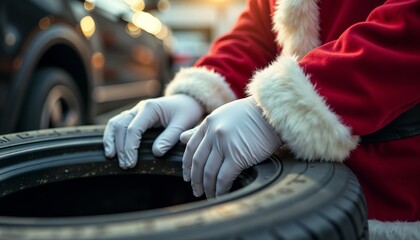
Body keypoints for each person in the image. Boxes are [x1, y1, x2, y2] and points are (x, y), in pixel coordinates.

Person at [103, 0, 420, 239]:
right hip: (298, 195)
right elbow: (257, 32)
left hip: (394, 193)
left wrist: (280, 108)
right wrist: (195, 94)